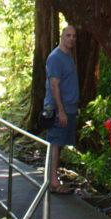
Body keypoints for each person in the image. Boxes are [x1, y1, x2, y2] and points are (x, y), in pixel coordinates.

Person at [44, 24, 79, 194]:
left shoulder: (68, 55)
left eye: (74, 36)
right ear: (61, 36)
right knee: (55, 143)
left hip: (69, 108)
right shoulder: (56, 57)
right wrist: (61, 111)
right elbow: (54, 85)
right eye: (68, 35)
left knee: (60, 143)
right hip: (59, 109)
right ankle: (52, 182)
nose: (71, 39)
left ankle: (54, 178)